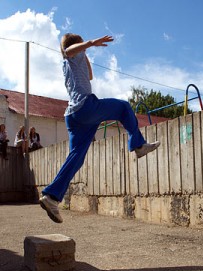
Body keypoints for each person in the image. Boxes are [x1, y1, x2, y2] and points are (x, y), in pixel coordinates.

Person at [39, 33, 160, 223]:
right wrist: (91, 43)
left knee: (76, 158)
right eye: (81, 47)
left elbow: (90, 75)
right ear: (76, 45)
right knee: (123, 107)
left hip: (73, 116)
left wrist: (85, 51)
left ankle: (51, 197)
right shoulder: (70, 55)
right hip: (85, 108)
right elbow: (67, 50)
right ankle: (138, 145)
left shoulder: (73, 61)